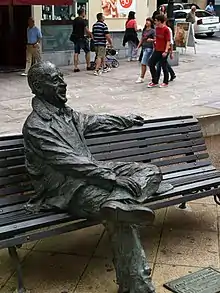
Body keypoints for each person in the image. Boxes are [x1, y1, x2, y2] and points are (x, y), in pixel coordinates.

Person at [23, 61, 173, 293]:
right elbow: (68, 162)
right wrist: (112, 180)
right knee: (120, 219)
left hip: (92, 174)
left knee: (151, 171)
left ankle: (119, 201)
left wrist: (127, 119)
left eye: (61, 77)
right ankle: (137, 288)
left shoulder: (67, 114)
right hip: (66, 190)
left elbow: (95, 121)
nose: (63, 83)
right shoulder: (36, 126)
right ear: (38, 88)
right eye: (55, 80)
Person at [148, 14, 171, 88]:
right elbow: (158, 38)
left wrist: (166, 51)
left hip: (164, 50)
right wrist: (153, 41)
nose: (155, 22)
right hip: (157, 49)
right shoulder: (157, 29)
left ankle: (165, 82)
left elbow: (168, 41)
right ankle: (155, 80)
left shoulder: (166, 29)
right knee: (151, 63)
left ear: (160, 21)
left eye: (156, 21)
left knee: (163, 66)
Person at [70, 8, 93, 72]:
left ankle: (75, 67)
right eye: (84, 12)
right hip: (82, 38)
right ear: (82, 13)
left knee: (76, 52)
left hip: (75, 38)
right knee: (87, 51)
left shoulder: (75, 20)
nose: (85, 14)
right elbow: (86, 30)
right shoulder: (82, 21)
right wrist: (91, 35)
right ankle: (88, 66)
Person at [136, 18, 155, 83]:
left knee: (143, 63)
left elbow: (156, 39)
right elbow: (142, 39)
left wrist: (151, 40)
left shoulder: (152, 31)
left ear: (151, 23)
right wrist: (138, 46)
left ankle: (142, 77)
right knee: (149, 63)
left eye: (148, 21)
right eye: (146, 21)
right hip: (144, 48)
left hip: (149, 48)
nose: (147, 22)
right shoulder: (144, 30)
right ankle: (154, 75)